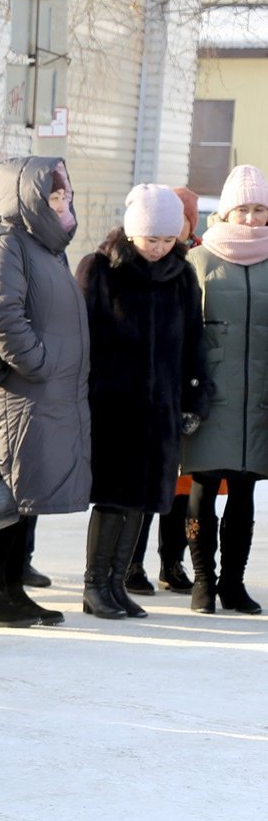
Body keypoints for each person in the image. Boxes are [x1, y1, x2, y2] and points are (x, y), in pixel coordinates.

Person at [0, 158, 90, 629]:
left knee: (25, 496)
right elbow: (1, 315)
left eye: (64, 196)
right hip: (20, 393)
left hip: (46, 394)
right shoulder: (6, 245)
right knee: (6, 494)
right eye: (53, 196)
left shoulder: (45, 248)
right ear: (28, 198)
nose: (62, 204)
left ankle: (10, 590)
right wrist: (38, 363)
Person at [75, 184, 208, 620]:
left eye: (168, 240)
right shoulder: (101, 269)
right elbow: (81, 339)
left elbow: (194, 341)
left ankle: (117, 582)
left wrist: (192, 396)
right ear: (133, 233)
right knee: (113, 497)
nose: (159, 248)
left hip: (161, 406)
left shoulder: (182, 275)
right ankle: (95, 585)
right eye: (152, 239)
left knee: (145, 498)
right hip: (113, 405)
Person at [183, 165, 268, 614]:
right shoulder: (202, 259)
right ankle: (203, 581)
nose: (251, 219)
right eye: (243, 209)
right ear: (227, 210)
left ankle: (233, 583)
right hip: (210, 394)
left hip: (256, 397)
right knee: (202, 485)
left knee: (245, 491)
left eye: (259, 210)